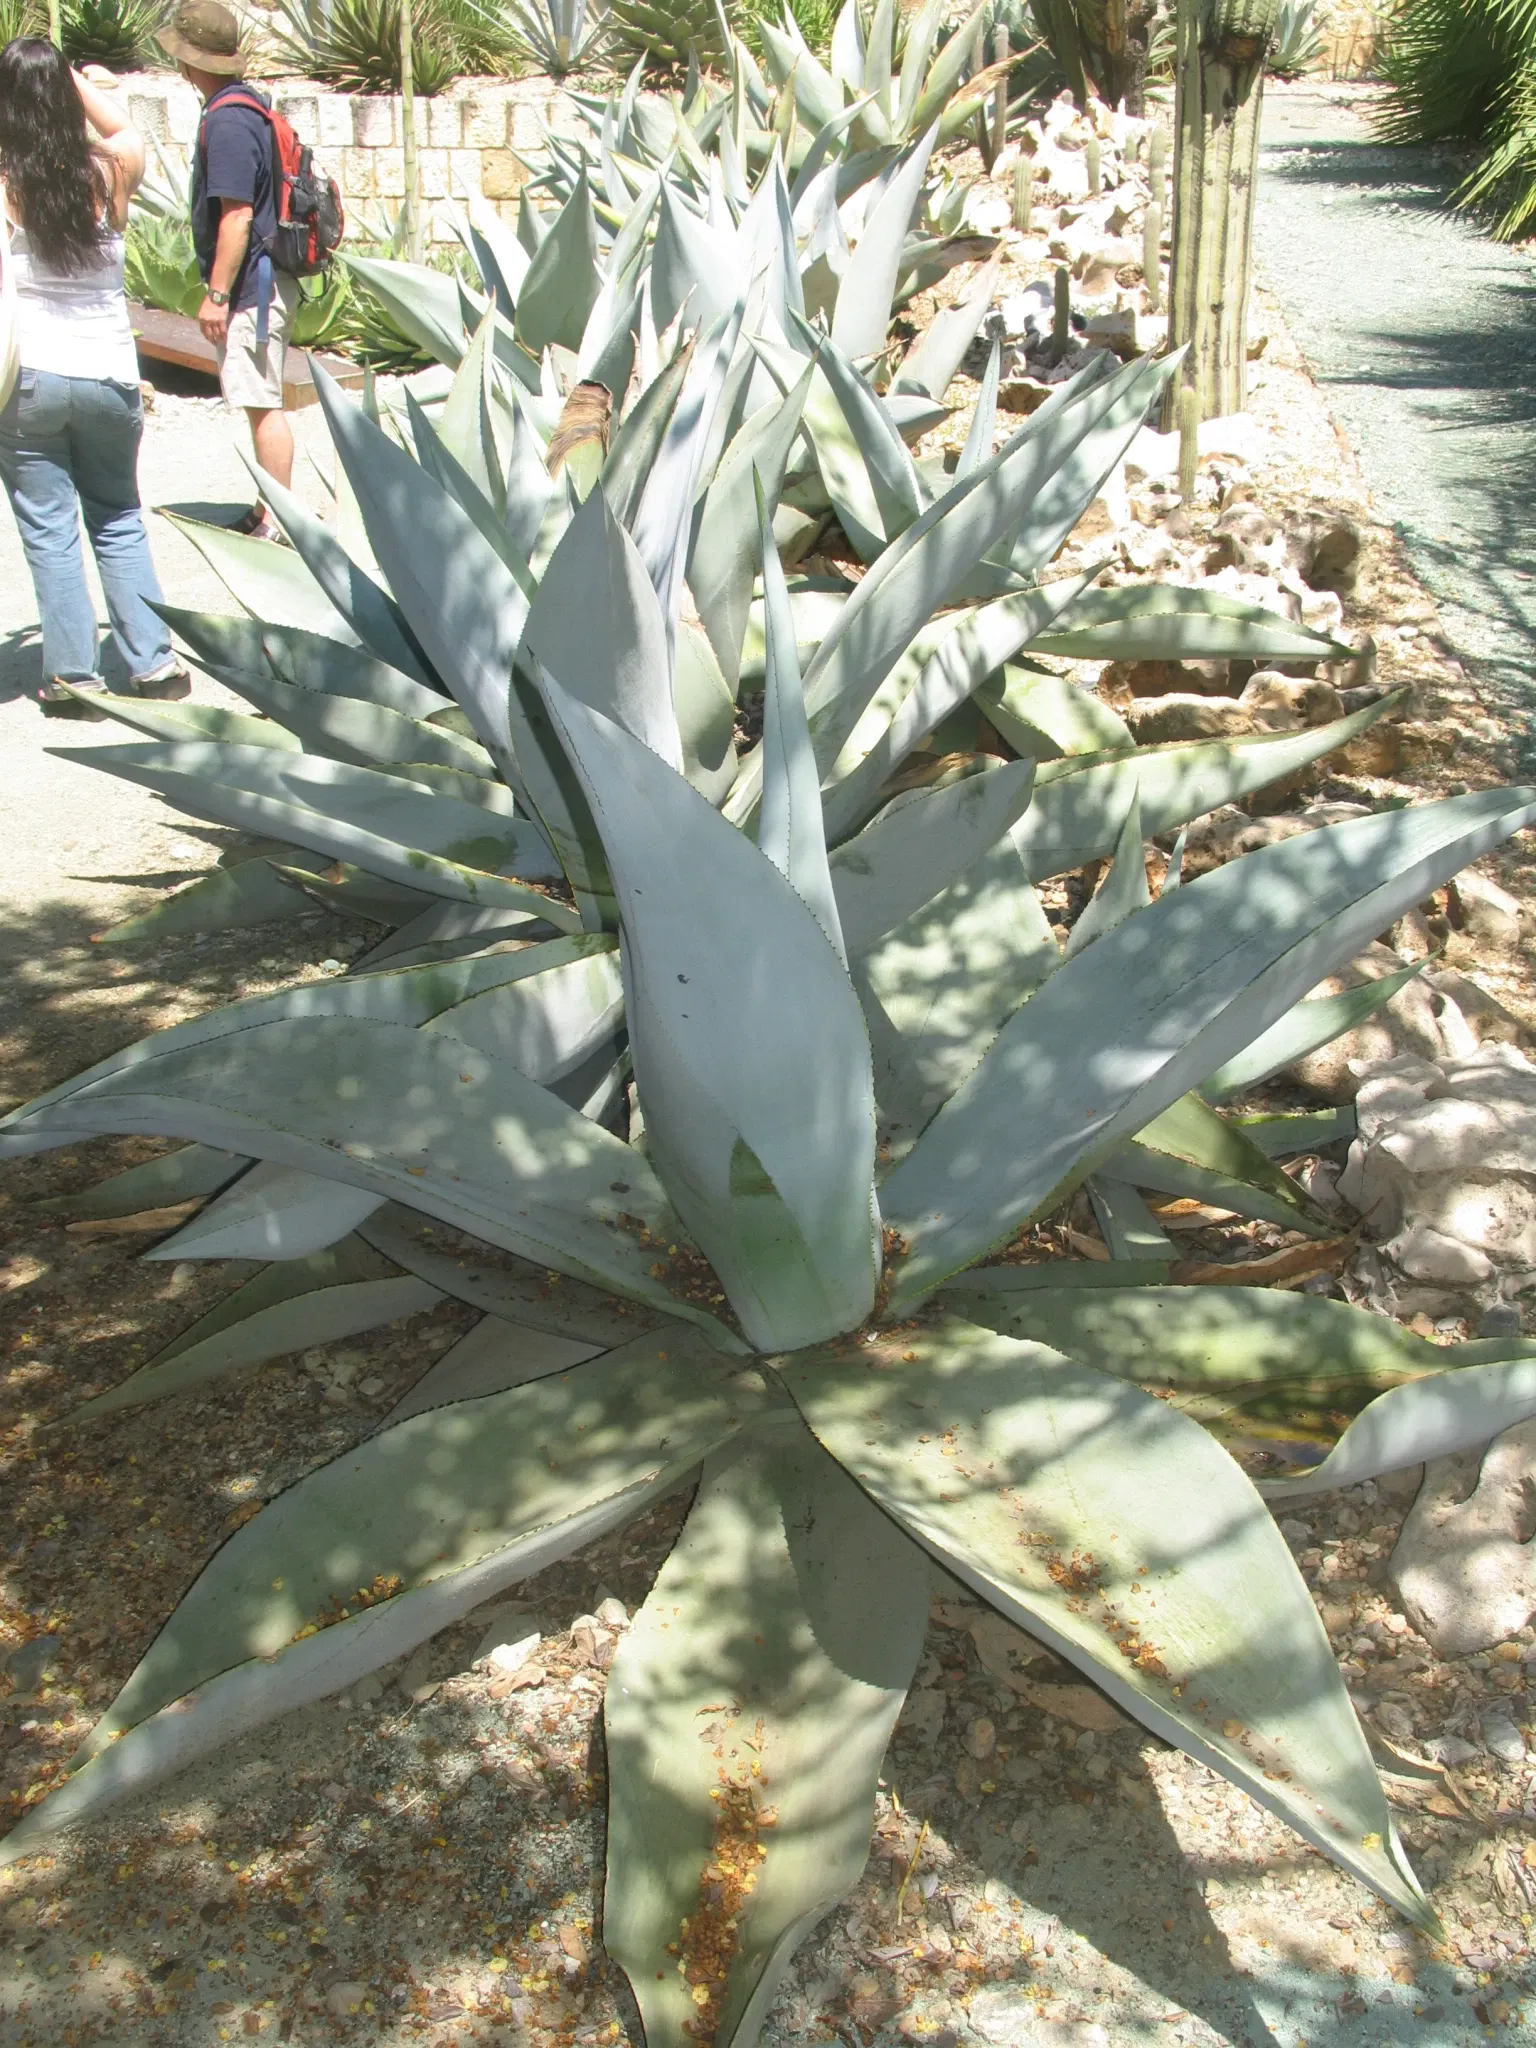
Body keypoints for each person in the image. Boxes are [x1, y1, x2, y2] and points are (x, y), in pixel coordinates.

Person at [0, 39, 189, 706]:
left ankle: (73, 676)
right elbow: (122, 125)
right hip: (109, 371)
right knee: (118, 515)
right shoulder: (113, 171)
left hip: (31, 382)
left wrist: (23, 85)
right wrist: (72, 80)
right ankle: (152, 663)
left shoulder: (6, 184)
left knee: (49, 528)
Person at [159, 0, 294, 541]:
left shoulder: (231, 121)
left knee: (262, 403)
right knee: (258, 399)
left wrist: (217, 294)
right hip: (259, 284)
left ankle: (281, 522)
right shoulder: (245, 106)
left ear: (193, 61)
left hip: (250, 291)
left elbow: (236, 216)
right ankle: (268, 511)